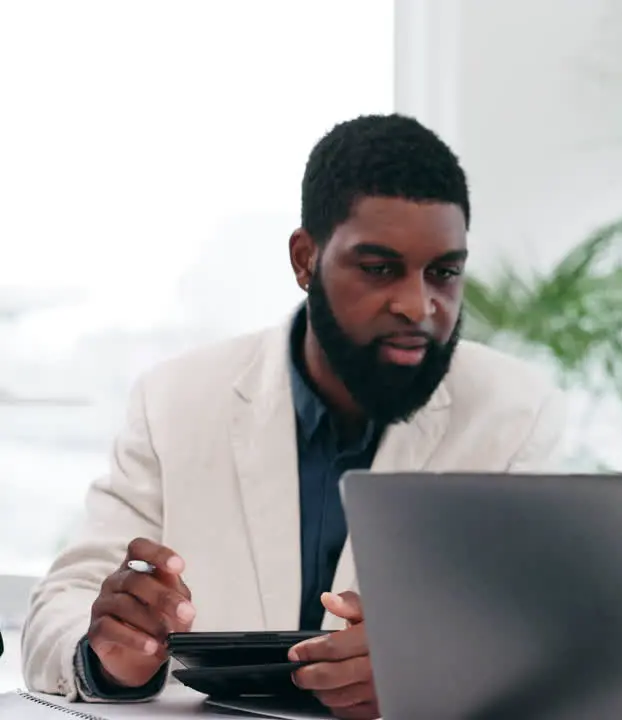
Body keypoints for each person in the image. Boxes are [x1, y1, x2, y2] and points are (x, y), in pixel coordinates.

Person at [22, 114, 566, 719]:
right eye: (380, 268)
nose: (418, 305)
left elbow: (546, 637)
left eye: (444, 272)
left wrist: (429, 674)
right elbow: (62, 607)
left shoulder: (514, 411)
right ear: (306, 259)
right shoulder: (176, 398)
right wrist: (110, 654)